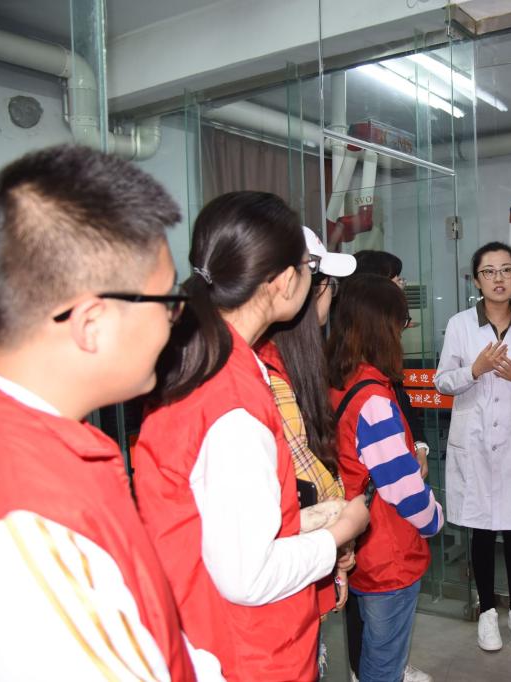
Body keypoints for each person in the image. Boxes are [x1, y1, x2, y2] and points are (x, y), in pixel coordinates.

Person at [0, 144, 219, 679]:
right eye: (166, 302)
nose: (173, 320)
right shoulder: (28, 538)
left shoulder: (3, 415)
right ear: (90, 324)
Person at [133, 191, 370, 681]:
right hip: (246, 653)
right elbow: (249, 576)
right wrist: (341, 532)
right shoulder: (233, 403)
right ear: (283, 281)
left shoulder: (208, 363)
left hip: (211, 634)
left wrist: (308, 521)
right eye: (308, 267)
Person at [434, 241, 511, 651]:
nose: (498, 278)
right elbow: (442, 382)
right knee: (482, 531)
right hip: (474, 443)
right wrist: (475, 369)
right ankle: (487, 611)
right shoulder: (459, 325)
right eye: (489, 271)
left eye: (506, 270)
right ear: (476, 280)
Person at [327, 273, 444, 682]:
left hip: (359, 540)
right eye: (402, 323)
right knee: (384, 662)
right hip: (388, 552)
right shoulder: (374, 398)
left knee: (371, 650)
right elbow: (401, 486)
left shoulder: (340, 381)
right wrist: (433, 518)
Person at [255, 226, 357, 677]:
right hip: (279, 599)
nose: (330, 296)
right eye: (327, 284)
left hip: (301, 574)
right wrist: (344, 527)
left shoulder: (280, 365)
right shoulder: (267, 376)